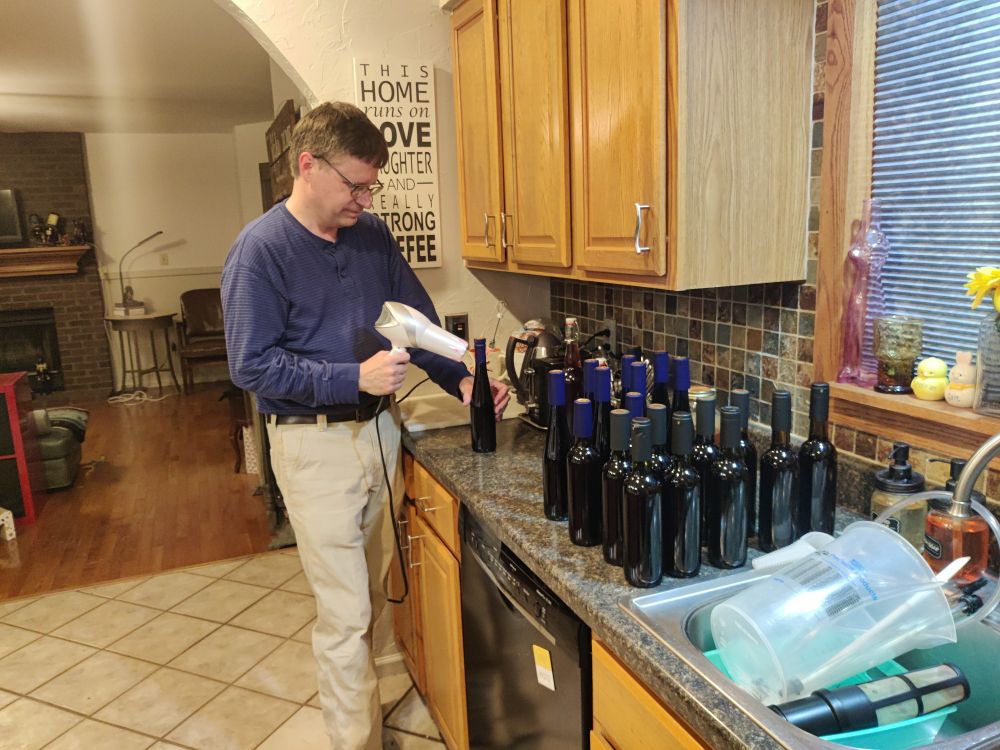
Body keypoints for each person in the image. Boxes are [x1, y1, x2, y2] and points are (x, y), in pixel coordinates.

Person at [221, 101, 509, 750]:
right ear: (306, 165)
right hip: (311, 444)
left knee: (374, 590)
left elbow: (411, 318)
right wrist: (350, 379)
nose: (364, 197)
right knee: (345, 610)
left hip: (380, 432)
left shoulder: (372, 235)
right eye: (354, 184)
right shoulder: (261, 252)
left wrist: (458, 379)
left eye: (371, 185)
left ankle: (373, 696)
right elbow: (251, 366)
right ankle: (357, 740)